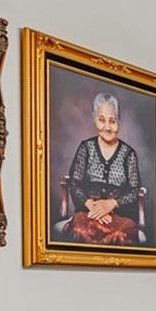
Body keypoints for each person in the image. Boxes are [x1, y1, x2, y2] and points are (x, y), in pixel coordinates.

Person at [61, 91, 142, 245]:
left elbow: (134, 191)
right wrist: (91, 205)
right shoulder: (86, 148)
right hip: (88, 213)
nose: (107, 126)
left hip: (120, 217)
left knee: (119, 235)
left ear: (119, 121)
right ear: (95, 120)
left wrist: (111, 204)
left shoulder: (128, 154)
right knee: (79, 231)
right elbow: (75, 184)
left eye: (112, 121)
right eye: (101, 120)